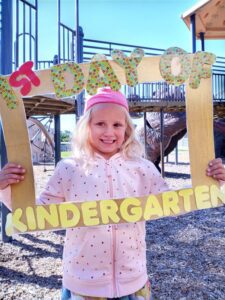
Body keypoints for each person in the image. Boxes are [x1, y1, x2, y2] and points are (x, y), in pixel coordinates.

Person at [0, 87, 225, 300]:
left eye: (117, 124)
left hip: (133, 280)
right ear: (86, 126)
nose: (109, 132)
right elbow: (37, 214)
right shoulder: (69, 169)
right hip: (83, 283)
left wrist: (214, 184)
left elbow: (174, 204)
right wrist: (6, 189)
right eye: (100, 123)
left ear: (127, 128)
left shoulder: (143, 168)